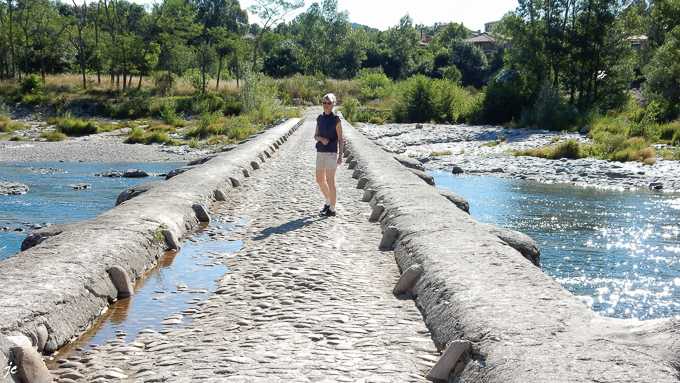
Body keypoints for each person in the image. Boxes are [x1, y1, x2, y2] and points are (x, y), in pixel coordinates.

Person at [314, 93, 343, 217]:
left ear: (333, 105)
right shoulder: (319, 118)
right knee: (320, 180)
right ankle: (327, 202)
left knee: (330, 181)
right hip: (320, 152)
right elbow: (315, 135)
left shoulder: (336, 119)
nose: (326, 105)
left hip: (331, 153)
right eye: (324, 103)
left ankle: (332, 208)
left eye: (328, 103)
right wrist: (320, 139)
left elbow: (341, 139)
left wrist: (340, 155)